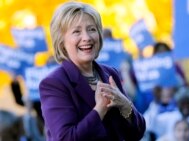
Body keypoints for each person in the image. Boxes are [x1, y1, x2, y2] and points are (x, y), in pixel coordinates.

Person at [39, 1, 145, 141]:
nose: (87, 38)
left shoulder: (110, 73)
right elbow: (65, 138)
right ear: (61, 41)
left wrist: (126, 106)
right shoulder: (54, 84)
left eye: (91, 29)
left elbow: (137, 133)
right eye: (76, 31)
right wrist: (99, 110)